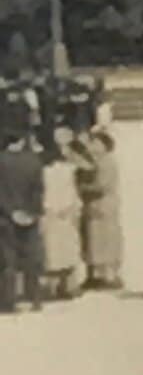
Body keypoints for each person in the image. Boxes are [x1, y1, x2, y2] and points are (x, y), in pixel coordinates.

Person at [0, 126, 44, 314]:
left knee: (8, 260)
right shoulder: (33, 161)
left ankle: (9, 301)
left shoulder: (1, 161)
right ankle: (34, 298)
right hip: (30, 217)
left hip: (5, 217)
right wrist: (31, 211)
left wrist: (11, 212)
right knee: (31, 258)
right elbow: (39, 190)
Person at [75, 129, 123, 290]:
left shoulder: (106, 162)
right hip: (94, 207)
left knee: (104, 241)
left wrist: (81, 188)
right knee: (93, 241)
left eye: (95, 143)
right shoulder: (94, 161)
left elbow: (102, 186)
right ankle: (95, 274)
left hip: (102, 205)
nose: (92, 146)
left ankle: (107, 276)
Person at [40, 130, 84, 300]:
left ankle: (52, 287)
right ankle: (70, 285)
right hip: (66, 212)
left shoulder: (44, 172)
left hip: (50, 213)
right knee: (69, 249)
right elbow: (73, 192)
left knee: (52, 252)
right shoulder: (68, 170)